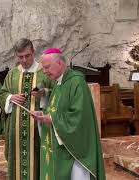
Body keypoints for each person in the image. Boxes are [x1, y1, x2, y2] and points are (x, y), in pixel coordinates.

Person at [31, 48, 105, 180]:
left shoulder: (76, 82)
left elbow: (79, 117)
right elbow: (56, 109)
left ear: (59, 63)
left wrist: (52, 119)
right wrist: (43, 114)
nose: (44, 71)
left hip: (74, 150)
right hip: (61, 145)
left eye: (47, 67)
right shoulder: (59, 83)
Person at [0, 38, 55, 180]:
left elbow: (56, 93)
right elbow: (2, 93)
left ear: (33, 52)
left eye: (27, 55)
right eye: (20, 57)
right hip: (16, 129)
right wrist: (10, 97)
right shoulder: (13, 74)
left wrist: (44, 94)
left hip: (38, 128)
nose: (24, 60)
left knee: (37, 159)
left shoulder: (44, 72)